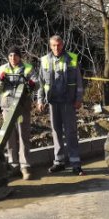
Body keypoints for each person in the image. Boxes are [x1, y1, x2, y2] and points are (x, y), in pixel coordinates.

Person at [36, 35, 84, 175]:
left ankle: (76, 164)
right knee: (56, 133)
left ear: (62, 45)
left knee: (70, 133)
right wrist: (40, 100)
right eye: (53, 45)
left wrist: (79, 98)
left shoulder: (72, 58)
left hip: (68, 102)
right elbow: (41, 83)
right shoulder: (44, 60)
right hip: (53, 102)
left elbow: (79, 82)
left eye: (59, 45)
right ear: (50, 46)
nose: (56, 48)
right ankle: (59, 162)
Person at [0, 45, 38, 180]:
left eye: (16, 55)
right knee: (9, 136)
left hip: (22, 108)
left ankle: (25, 166)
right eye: (11, 55)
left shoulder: (28, 68)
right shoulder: (2, 69)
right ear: (8, 57)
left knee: (23, 135)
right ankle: (13, 164)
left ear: (20, 56)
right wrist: (0, 79)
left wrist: (31, 84)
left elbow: (37, 84)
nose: (13, 58)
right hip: (7, 107)